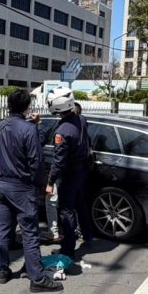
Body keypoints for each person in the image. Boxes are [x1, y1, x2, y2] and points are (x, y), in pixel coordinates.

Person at [0, 89, 62, 292]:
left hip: (1, 185)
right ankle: (37, 278)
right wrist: (41, 185)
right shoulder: (28, 130)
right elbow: (36, 163)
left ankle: (2, 270)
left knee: (4, 228)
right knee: (30, 231)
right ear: (26, 106)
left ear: (9, 105)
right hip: (21, 187)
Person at [46, 88, 95, 259]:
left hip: (69, 174)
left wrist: (50, 182)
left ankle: (68, 250)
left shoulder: (63, 131)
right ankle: (88, 235)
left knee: (66, 211)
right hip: (82, 171)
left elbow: (58, 161)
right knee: (81, 204)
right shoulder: (81, 119)